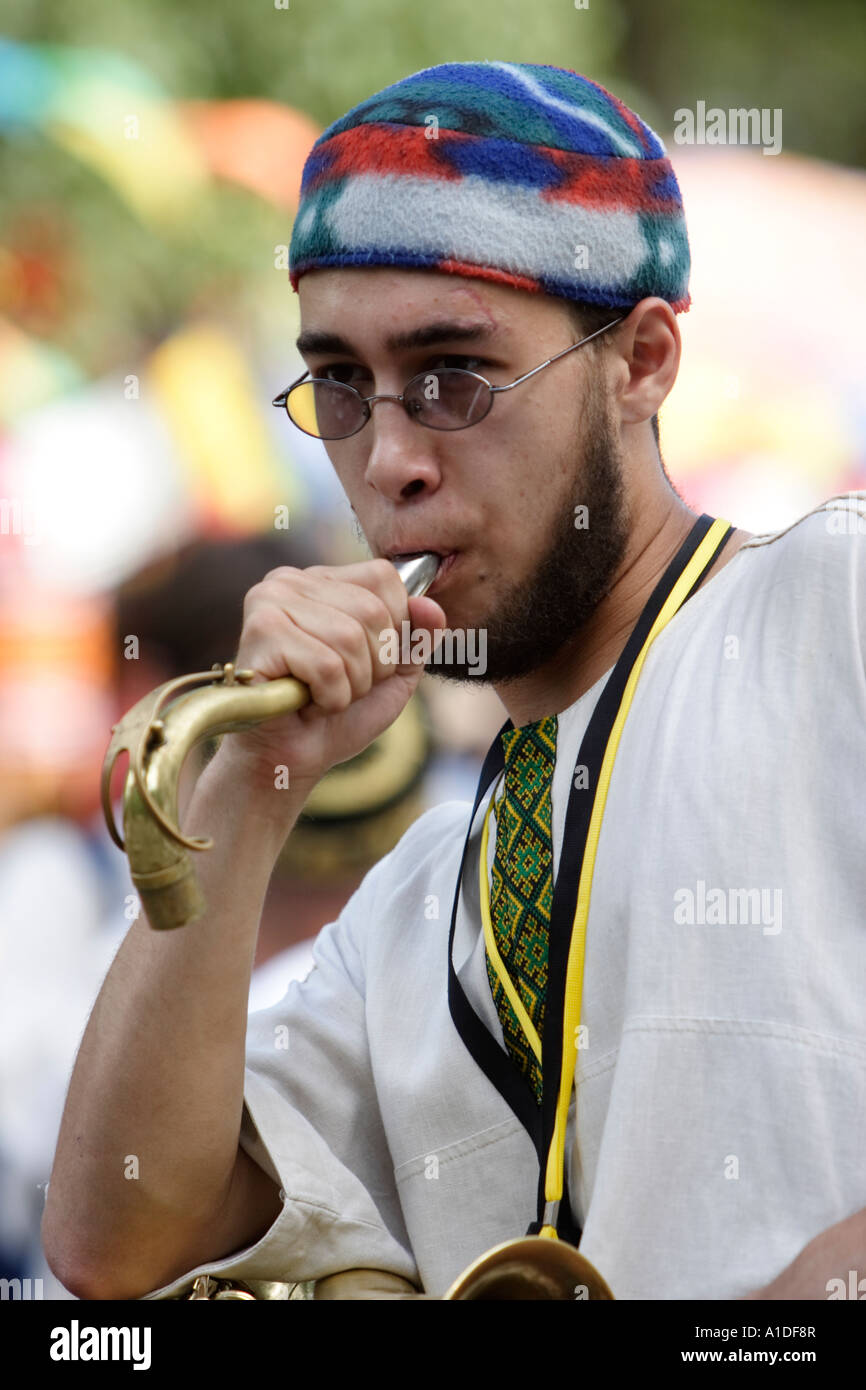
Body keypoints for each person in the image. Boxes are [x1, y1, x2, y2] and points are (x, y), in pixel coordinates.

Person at [43, 60, 866, 1301]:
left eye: (452, 376)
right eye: (339, 386)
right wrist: (250, 780)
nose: (388, 461)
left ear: (641, 361)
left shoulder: (833, 608)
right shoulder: (418, 900)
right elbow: (114, 1247)